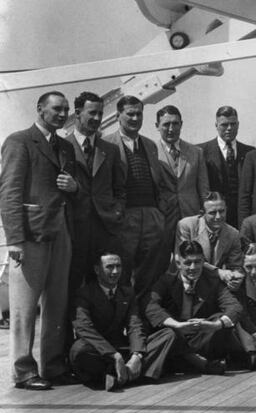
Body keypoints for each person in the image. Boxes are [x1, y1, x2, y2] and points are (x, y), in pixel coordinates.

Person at [0, 91, 79, 390]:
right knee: (23, 308)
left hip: (61, 233)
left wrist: (74, 187)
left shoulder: (65, 147)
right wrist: (15, 240)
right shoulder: (19, 141)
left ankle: (53, 365)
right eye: (56, 109)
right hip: (31, 235)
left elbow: (71, 190)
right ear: (40, 110)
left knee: (56, 305)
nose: (62, 114)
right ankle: (22, 370)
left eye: (65, 109)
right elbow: (8, 193)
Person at [70, 251, 176, 390]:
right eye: (109, 267)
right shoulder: (84, 294)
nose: (115, 271)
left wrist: (136, 355)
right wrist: (114, 355)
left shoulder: (127, 293)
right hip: (98, 350)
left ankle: (119, 375)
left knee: (167, 334)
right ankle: (132, 374)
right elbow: (84, 328)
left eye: (118, 266)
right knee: (79, 350)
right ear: (97, 270)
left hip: (122, 346)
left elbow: (134, 325)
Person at [103, 95, 170, 297]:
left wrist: (160, 212)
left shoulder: (150, 145)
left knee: (149, 272)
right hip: (125, 216)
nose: (134, 118)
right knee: (122, 269)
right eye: (129, 114)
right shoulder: (107, 144)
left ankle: (144, 318)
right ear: (118, 116)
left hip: (151, 216)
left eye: (138, 114)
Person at [146, 241, 242, 375]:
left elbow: (234, 307)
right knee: (169, 334)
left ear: (203, 261)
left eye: (197, 262)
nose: (193, 267)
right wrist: (177, 325)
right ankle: (196, 362)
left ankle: (187, 359)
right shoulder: (166, 281)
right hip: (176, 335)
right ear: (178, 263)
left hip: (201, 337)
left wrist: (215, 325)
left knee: (220, 318)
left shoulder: (212, 282)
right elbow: (151, 306)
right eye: (187, 263)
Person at [64, 92, 126, 298]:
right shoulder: (62, 147)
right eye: (92, 113)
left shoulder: (110, 149)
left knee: (102, 287)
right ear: (78, 113)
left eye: (101, 113)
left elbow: (120, 189)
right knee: (70, 285)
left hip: (104, 229)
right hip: (73, 229)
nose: (98, 118)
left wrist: (117, 213)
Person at [154, 105, 210, 237]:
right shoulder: (151, 151)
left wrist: (206, 213)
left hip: (192, 216)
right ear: (157, 125)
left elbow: (203, 187)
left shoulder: (196, 152)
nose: (171, 129)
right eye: (166, 124)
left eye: (175, 123)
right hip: (163, 218)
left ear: (181, 124)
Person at [198, 106, 255, 228]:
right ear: (216, 125)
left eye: (233, 124)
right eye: (224, 125)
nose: (229, 128)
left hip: (242, 217)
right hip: (214, 216)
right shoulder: (202, 151)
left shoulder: (250, 153)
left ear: (238, 125)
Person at [175, 192, 244, 291]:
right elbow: (185, 260)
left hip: (215, 286)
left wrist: (236, 278)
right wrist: (218, 272)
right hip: (186, 283)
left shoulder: (233, 234)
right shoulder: (186, 226)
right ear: (202, 213)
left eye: (222, 211)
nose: (218, 217)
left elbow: (236, 266)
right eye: (212, 213)